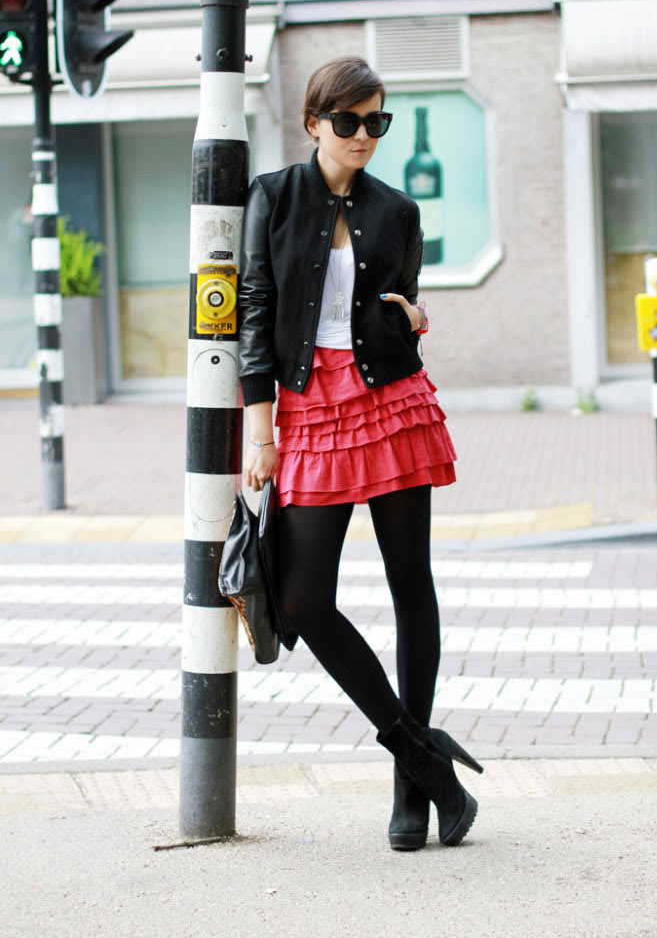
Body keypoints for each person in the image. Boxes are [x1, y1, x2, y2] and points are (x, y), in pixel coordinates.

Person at [238, 56, 483, 851]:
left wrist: (413, 316)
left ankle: (411, 793)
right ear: (313, 122)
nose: (364, 135)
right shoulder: (274, 196)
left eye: (376, 121)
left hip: (391, 404)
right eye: (349, 121)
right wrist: (261, 432)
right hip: (310, 410)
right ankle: (424, 756)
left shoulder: (398, 209)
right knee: (303, 599)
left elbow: (402, 302)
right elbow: (253, 312)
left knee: (412, 584)